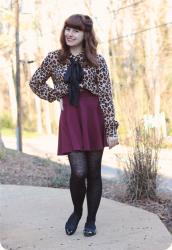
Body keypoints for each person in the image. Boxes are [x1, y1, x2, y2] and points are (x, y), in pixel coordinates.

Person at [29, 14, 119, 237]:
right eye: (67, 28)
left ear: (85, 34)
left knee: (93, 172)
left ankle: (91, 220)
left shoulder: (97, 61)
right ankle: (77, 211)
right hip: (70, 117)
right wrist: (54, 95)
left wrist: (111, 129)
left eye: (75, 30)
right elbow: (35, 82)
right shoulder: (54, 59)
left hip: (93, 116)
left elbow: (106, 95)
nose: (69, 33)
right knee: (78, 172)